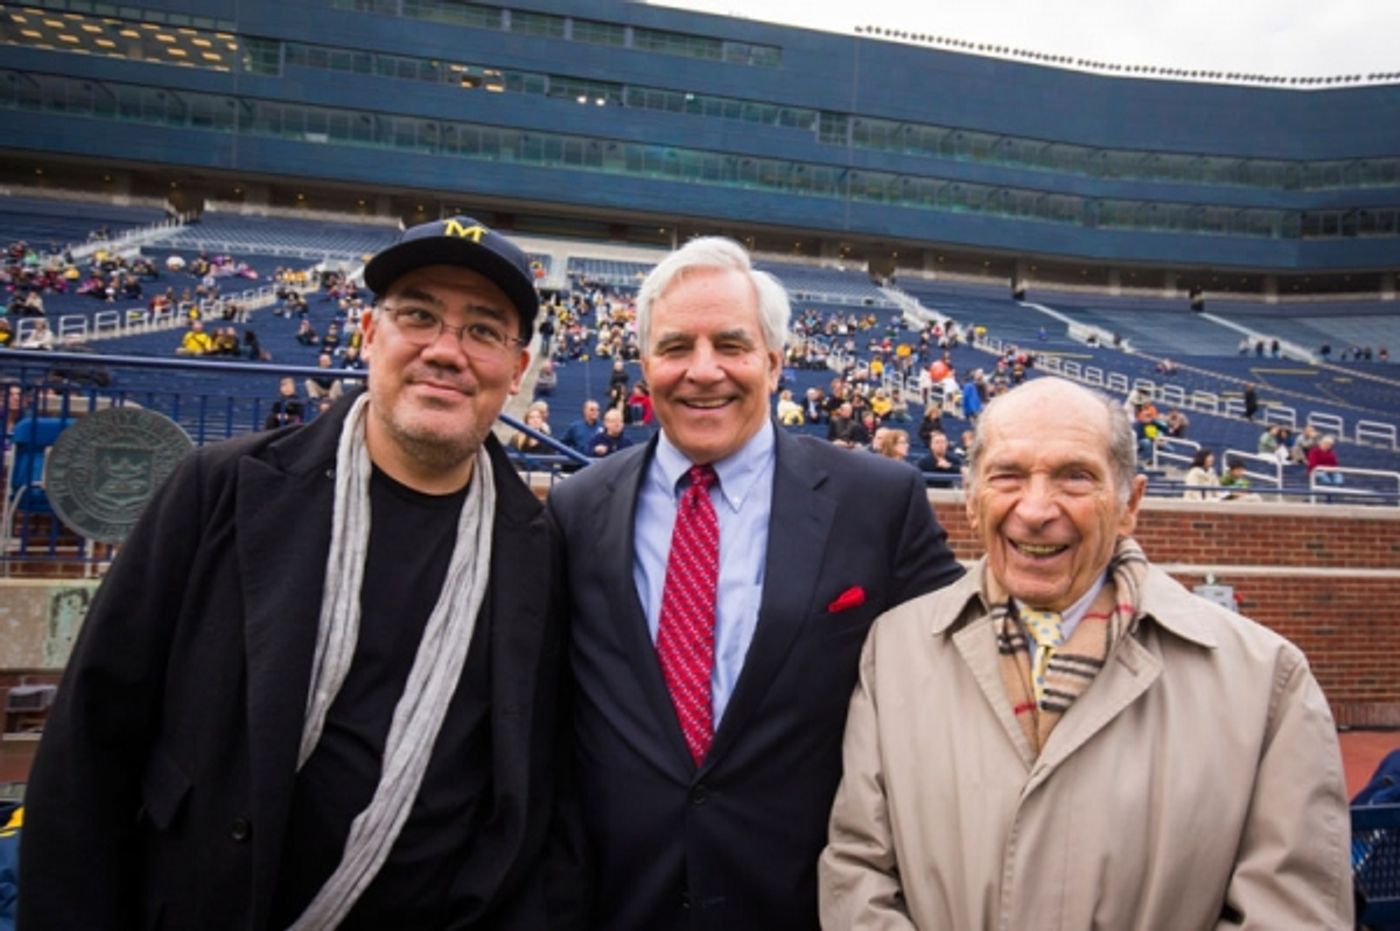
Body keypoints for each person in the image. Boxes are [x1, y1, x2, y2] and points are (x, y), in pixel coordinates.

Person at [21, 216, 570, 929]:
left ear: (517, 368)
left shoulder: (542, 550)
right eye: (419, 315)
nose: (446, 350)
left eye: (484, 330)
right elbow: (90, 744)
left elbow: (534, 794)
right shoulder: (217, 489)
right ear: (369, 335)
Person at [820, 377, 1352, 930]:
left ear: (1130, 505)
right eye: (1008, 475)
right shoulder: (896, 651)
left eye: (1076, 477)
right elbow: (859, 872)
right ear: (973, 501)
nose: (1036, 509)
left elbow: (1293, 914)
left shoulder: (1267, 682)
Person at [547, 236, 963, 929]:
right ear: (645, 363)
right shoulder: (578, 507)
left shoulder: (879, 501)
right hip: (621, 903)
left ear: (773, 362)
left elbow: (960, 673)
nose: (703, 371)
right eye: (677, 346)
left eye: (732, 346)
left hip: (807, 904)